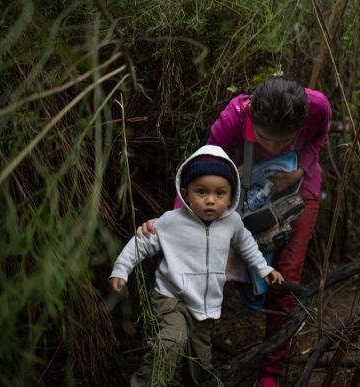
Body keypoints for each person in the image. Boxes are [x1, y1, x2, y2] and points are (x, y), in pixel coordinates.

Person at [140, 77, 332, 386]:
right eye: (264, 138)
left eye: (282, 141)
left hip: (300, 190)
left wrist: (298, 170)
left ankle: (270, 374)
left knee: (286, 278)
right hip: (249, 189)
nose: (272, 147)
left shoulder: (317, 107)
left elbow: (319, 137)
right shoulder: (236, 115)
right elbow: (203, 167)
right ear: (252, 117)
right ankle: (188, 357)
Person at [110, 145, 284, 387]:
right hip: (172, 297)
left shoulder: (232, 223)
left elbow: (247, 245)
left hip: (207, 304)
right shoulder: (172, 221)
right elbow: (141, 243)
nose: (210, 200)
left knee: (200, 362)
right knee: (172, 342)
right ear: (186, 192)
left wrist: (263, 269)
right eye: (201, 192)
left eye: (220, 193)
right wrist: (121, 269)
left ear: (232, 196)